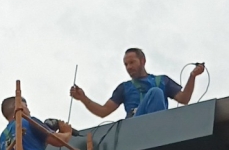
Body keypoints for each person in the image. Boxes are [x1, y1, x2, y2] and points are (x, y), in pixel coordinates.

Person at [70, 48, 206, 119]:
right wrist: (83, 98)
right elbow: (103, 111)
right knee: (156, 92)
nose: (128, 67)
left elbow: (184, 99)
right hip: (136, 125)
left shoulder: (162, 81)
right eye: (126, 64)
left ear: (143, 61)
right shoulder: (124, 87)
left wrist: (192, 76)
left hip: (159, 124)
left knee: (156, 92)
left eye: (132, 62)